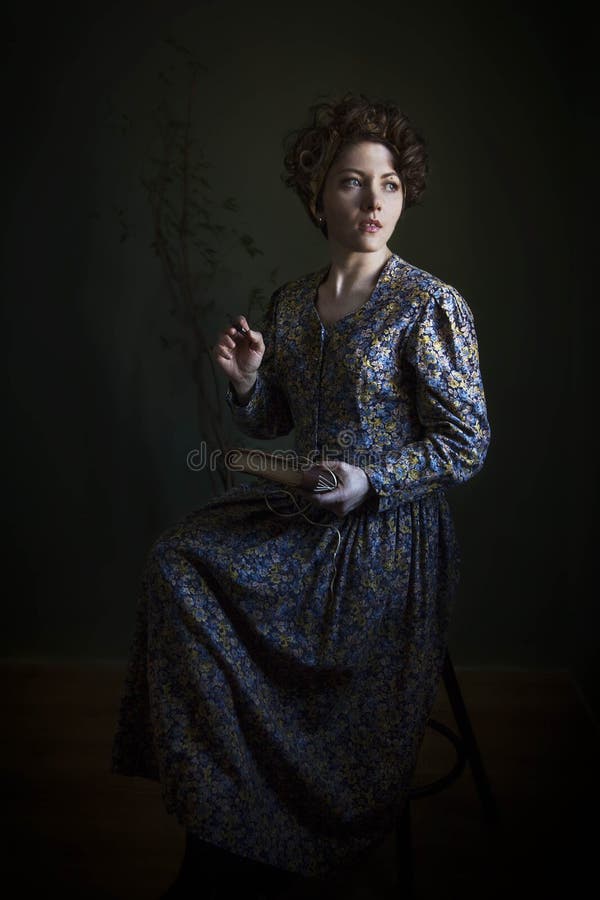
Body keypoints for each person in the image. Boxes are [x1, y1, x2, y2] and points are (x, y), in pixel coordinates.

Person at [110, 92, 491, 899]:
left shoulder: (429, 305)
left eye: (388, 184)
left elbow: (467, 441)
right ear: (318, 196)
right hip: (305, 511)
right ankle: (225, 815)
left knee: (289, 616)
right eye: (353, 183)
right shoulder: (289, 302)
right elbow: (282, 418)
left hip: (390, 532)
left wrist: (374, 483)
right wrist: (250, 385)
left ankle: (281, 834)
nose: (374, 202)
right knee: (178, 564)